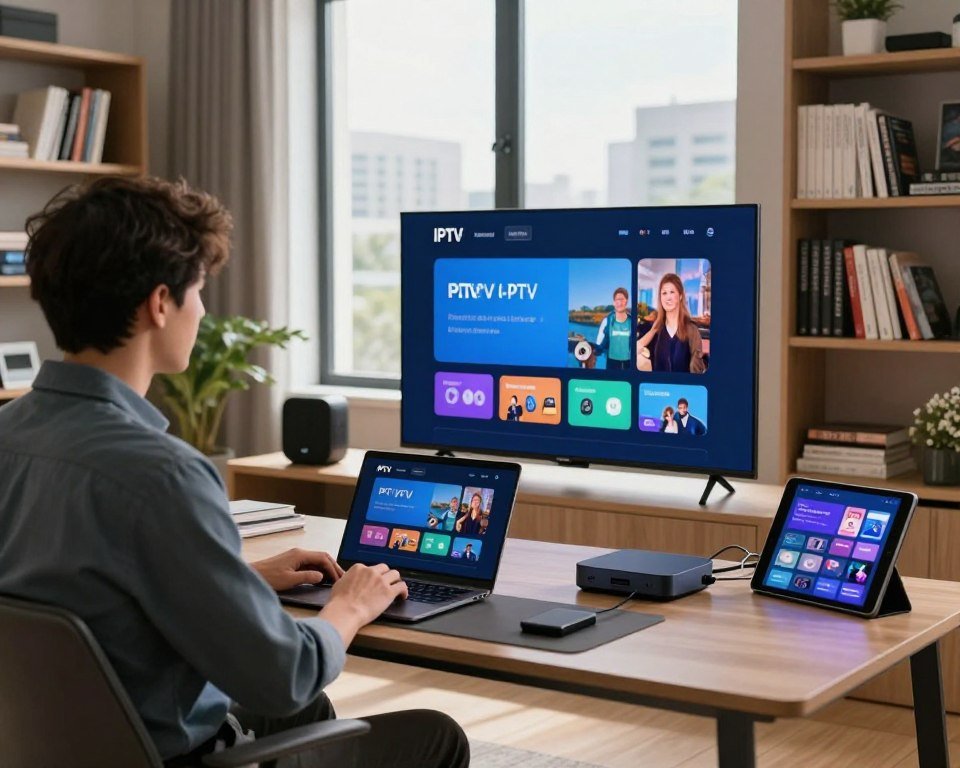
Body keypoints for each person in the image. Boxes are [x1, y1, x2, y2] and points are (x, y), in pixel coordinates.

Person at [0, 177, 468, 768]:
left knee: (308, 715)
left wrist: (239, 581)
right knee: (436, 735)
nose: (202, 310)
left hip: (64, 745)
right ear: (160, 303)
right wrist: (350, 604)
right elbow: (286, 676)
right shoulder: (164, 475)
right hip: (174, 754)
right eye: (198, 291)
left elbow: (81, 591)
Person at [636, 273, 706, 374]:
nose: (668, 297)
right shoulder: (654, 329)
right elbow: (635, 349)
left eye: (672, 292)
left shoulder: (691, 330)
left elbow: (696, 372)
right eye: (664, 293)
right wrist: (652, 331)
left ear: (680, 296)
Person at [595, 286, 632, 370]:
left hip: (629, 367)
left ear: (626, 301)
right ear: (614, 302)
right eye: (617, 300)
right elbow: (599, 346)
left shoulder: (632, 322)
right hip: (611, 366)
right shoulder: (606, 321)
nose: (619, 303)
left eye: (622, 299)